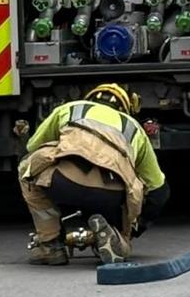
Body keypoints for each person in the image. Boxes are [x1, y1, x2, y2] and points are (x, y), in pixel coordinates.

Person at [17, 83, 169, 266]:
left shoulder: (70, 109)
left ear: (90, 98)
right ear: (126, 108)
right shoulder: (134, 128)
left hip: (65, 183)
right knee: (131, 199)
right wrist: (136, 226)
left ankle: (51, 245)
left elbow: (32, 147)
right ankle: (117, 239)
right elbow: (159, 190)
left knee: (27, 167)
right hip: (112, 196)